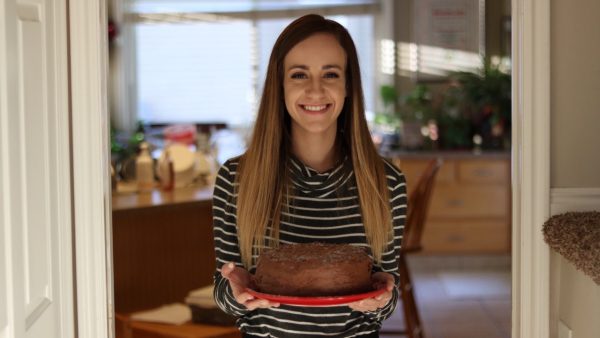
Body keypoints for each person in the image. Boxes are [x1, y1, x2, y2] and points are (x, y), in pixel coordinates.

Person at [212, 14, 407, 337]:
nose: (315, 90)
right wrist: (235, 292)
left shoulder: (386, 183)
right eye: (299, 74)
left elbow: (387, 293)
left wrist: (382, 298)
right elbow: (223, 287)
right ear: (280, 85)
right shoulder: (236, 179)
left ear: (348, 86)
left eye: (330, 74)